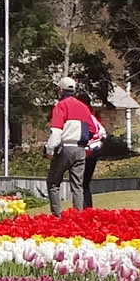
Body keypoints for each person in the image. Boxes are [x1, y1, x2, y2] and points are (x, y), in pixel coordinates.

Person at [45, 75, 105, 215]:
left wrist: (49, 149)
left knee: (53, 182)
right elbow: (92, 129)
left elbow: (56, 131)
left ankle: (57, 216)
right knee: (78, 185)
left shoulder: (61, 106)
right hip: (80, 150)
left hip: (65, 148)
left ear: (61, 90)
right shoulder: (83, 107)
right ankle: (79, 216)